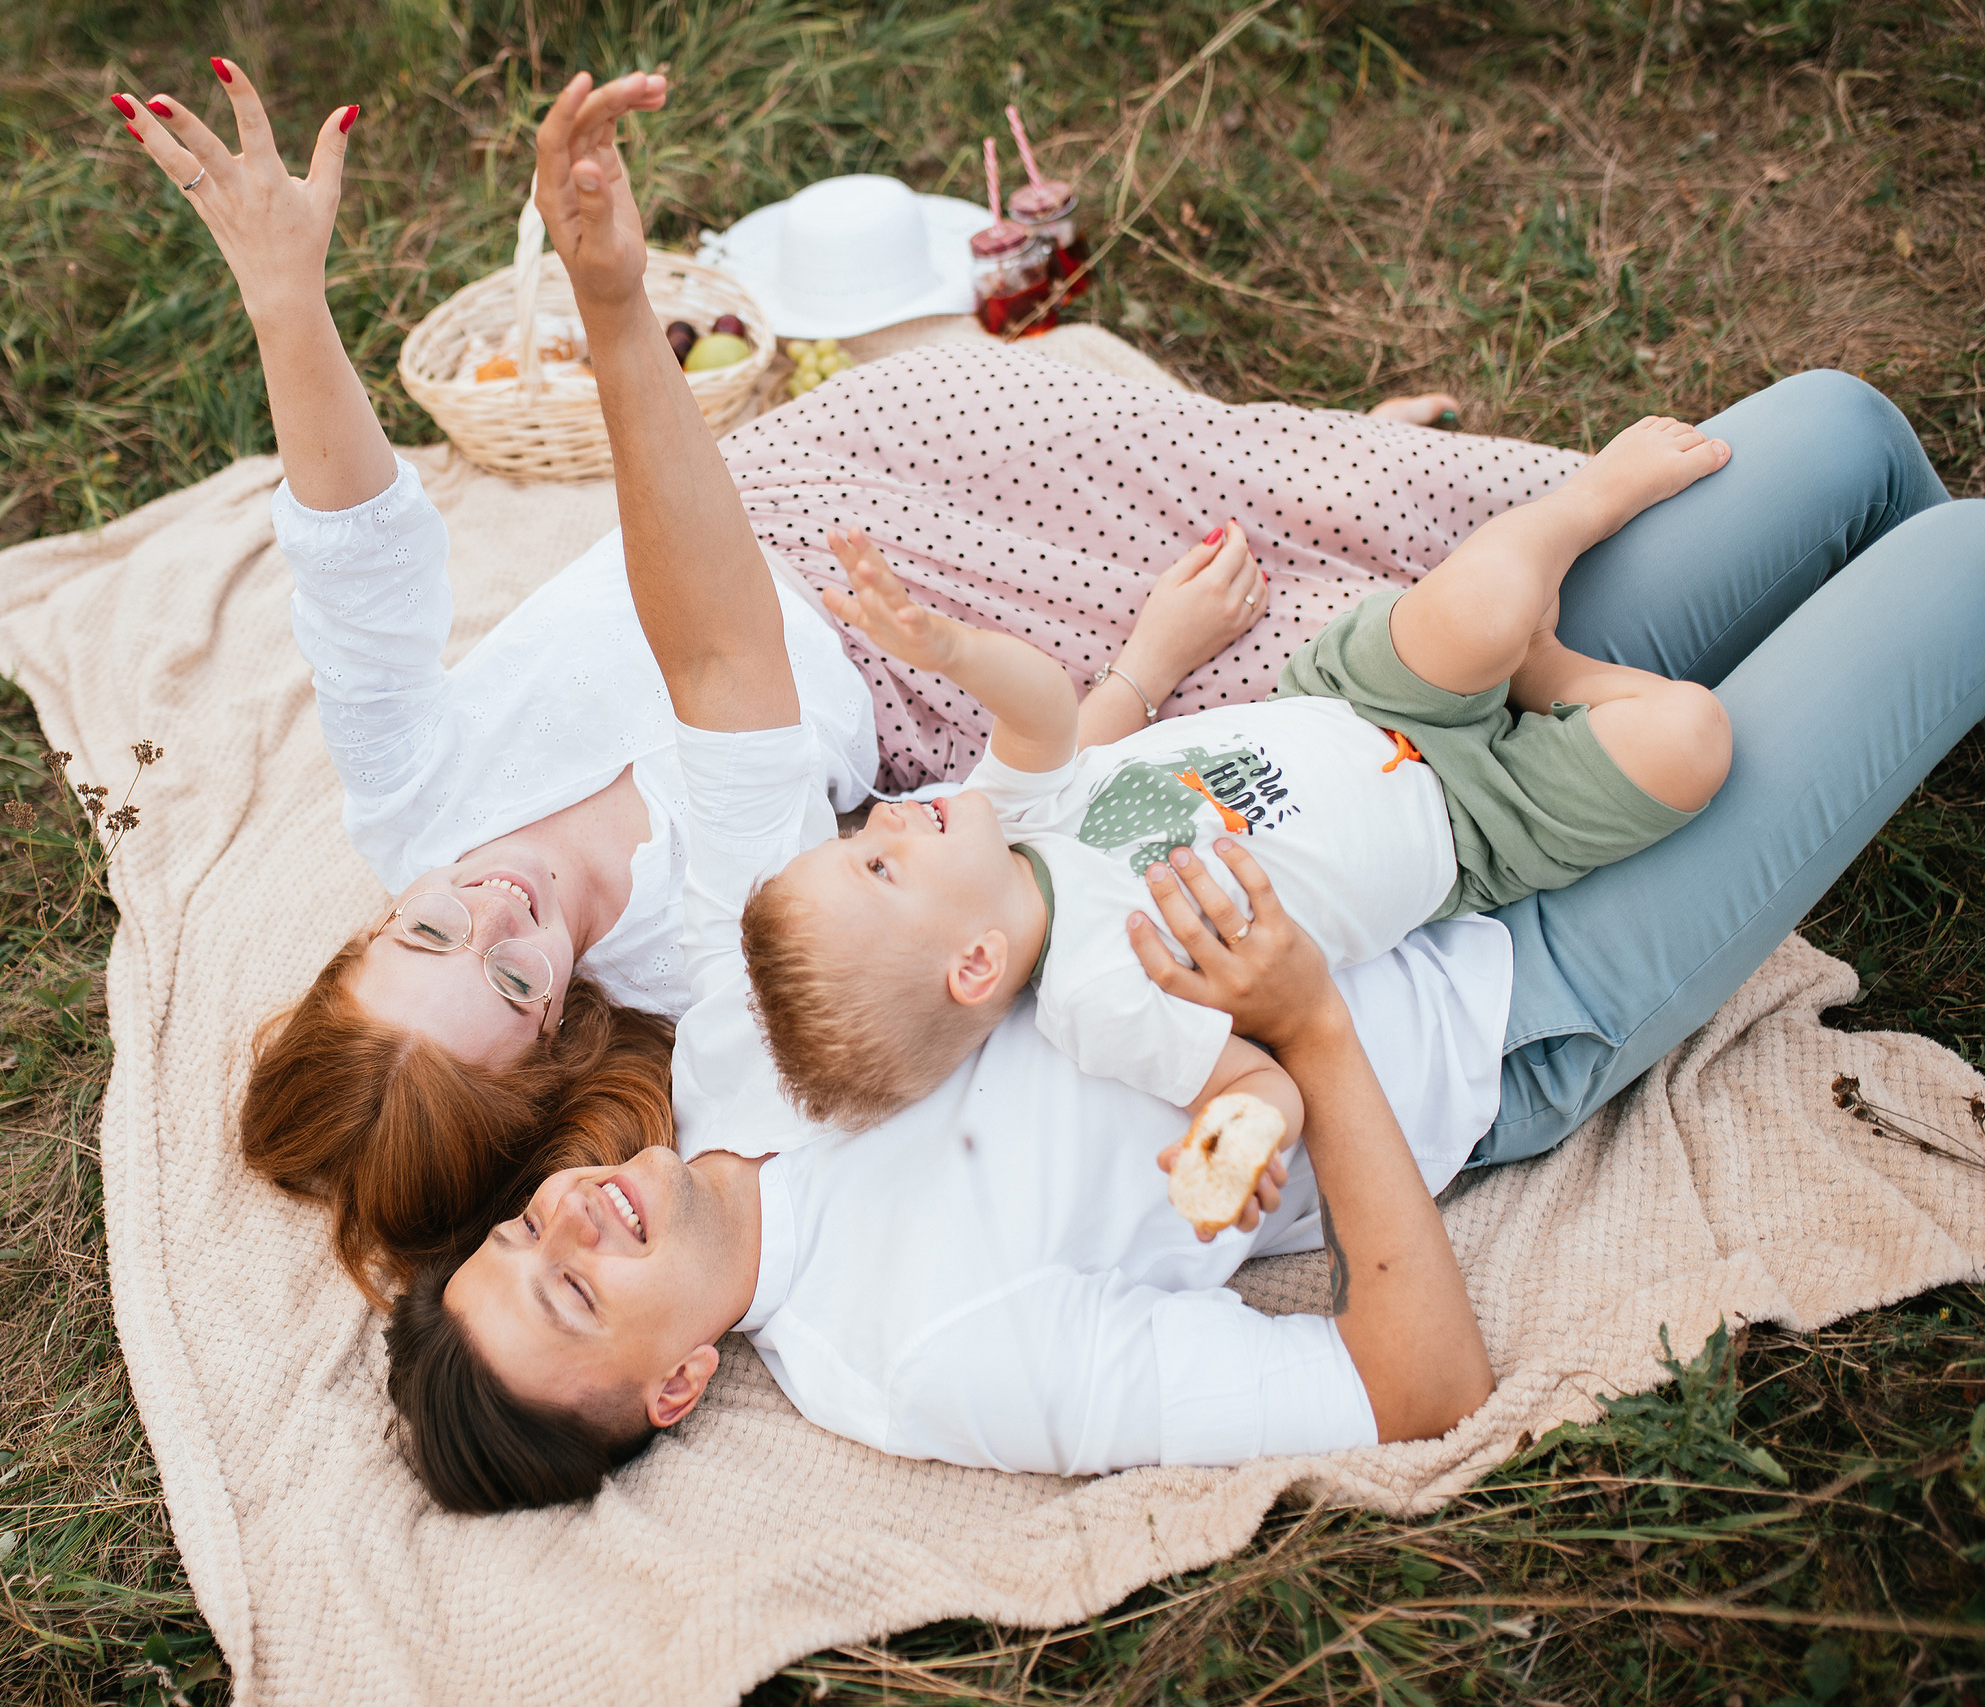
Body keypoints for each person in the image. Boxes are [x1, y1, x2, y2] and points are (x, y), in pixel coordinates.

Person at [384, 69, 1985, 1514]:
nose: (571, 1224)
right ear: (674, 1387)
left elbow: (725, 660)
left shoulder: (738, 1034)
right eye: (574, 1294)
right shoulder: (925, 1356)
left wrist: (614, 307)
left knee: (1841, 432)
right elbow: (1417, 1386)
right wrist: (1310, 1031)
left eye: (524, 1232)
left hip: (1377, 739)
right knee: (1960, 567)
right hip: (1512, 987)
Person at [108, 64, 1524, 1296]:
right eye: (516, 974)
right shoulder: (704, 964)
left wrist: (285, 296)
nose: (496, 906)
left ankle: (1328, 459)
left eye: (425, 930)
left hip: (803, 486)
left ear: (370, 932)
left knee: (1196, 458)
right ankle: (1363, 495)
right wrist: (1146, 666)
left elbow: (358, 562)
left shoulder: (406, 801)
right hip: (926, 674)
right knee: (1353, 643)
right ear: (556, 1044)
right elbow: (918, 781)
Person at [740, 413, 1735, 1134]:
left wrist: (949, 648)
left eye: (859, 837)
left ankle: (1586, 502)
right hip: (1474, 830)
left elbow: (1044, 709)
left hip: (1359, 700)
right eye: (879, 867)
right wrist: (1235, 1141)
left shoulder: (1003, 814)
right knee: (1690, 740)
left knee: (1475, 610)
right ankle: (1541, 667)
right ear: (974, 966)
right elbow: (1252, 1084)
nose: (887, 821)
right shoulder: (1098, 999)